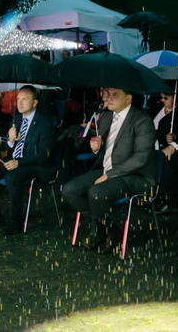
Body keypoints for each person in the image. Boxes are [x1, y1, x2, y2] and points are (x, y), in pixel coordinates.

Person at [62, 87, 156, 252]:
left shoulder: (142, 120)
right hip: (106, 169)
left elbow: (141, 158)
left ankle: (99, 232)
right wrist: (96, 148)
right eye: (108, 94)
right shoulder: (106, 116)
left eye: (115, 95)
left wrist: (111, 174)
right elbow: (105, 149)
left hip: (134, 176)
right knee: (70, 190)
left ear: (128, 99)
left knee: (96, 193)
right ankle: (109, 227)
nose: (108, 98)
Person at [0, 86, 56, 235]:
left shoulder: (44, 122)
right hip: (15, 161)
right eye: (18, 99)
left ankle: (15, 223)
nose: (20, 103)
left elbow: (43, 154)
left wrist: (19, 162)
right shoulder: (17, 119)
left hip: (35, 165)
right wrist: (11, 141)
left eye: (25, 99)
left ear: (35, 102)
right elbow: (7, 147)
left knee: (13, 176)